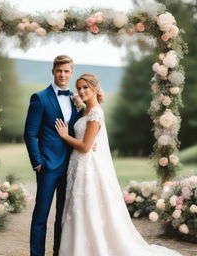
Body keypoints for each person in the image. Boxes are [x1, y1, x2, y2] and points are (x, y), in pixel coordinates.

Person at [55, 73, 182, 256]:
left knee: (84, 207)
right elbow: (89, 140)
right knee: (77, 207)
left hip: (87, 166)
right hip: (78, 165)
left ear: (95, 89)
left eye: (85, 88)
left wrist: (65, 136)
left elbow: (85, 147)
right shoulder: (85, 111)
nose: (81, 91)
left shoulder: (96, 112)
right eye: (79, 88)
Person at [24, 55, 82, 256]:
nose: (63, 74)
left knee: (63, 216)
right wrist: (38, 162)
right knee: (41, 216)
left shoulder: (77, 99)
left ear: (71, 72)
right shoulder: (39, 98)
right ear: (53, 71)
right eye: (59, 70)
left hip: (71, 166)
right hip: (47, 167)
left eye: (66, 71)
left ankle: (59, 252)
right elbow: (30, 133)